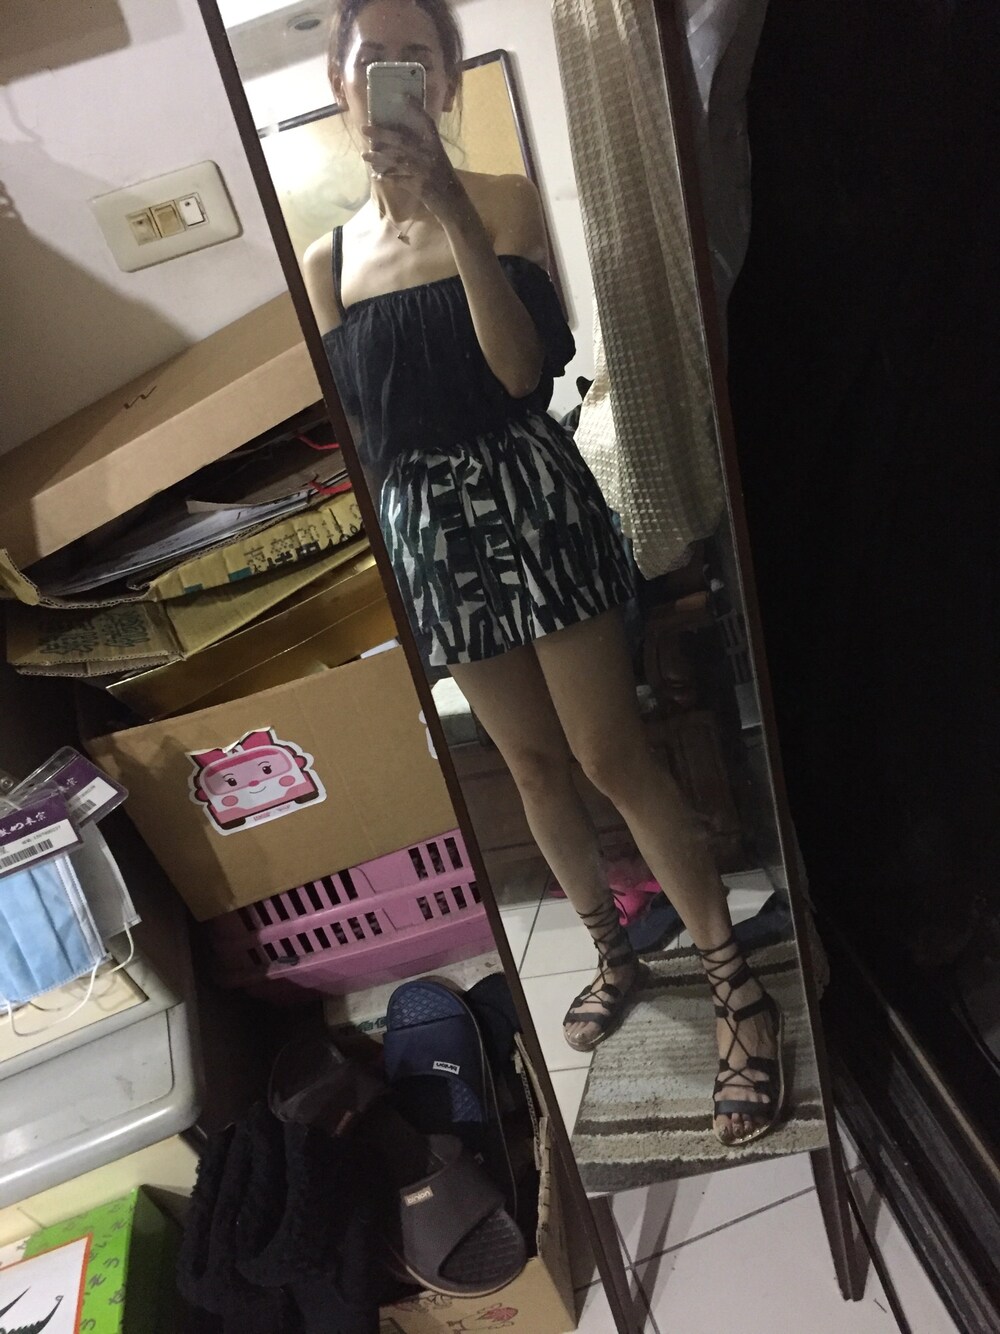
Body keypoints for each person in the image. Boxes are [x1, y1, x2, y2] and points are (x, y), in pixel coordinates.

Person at [304, 0, 783, 1147]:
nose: (396, 74)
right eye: (375, 59)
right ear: (341, 82)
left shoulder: (506, 203)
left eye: (419, 57)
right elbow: (364, 432)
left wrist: (453, 211)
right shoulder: (326, 262)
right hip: (432, 529)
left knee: (609, 751)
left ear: (446, 81)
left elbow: (520, 371)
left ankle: (735, 982)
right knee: (527, 763)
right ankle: (615, 953)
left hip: (527, 495)